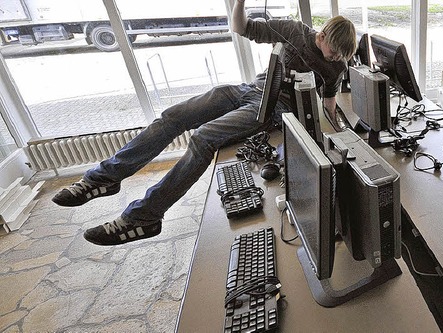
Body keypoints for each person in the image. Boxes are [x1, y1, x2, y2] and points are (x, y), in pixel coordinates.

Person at [50, 0, 357, 246]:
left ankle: (144, 217)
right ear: (321, 35)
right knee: (173, 117)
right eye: (333, 52)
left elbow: (328, 106)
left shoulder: (335, 67)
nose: (334, 60)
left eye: (340, 57)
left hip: (273, 108)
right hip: (248, 90)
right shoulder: (294, 31)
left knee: (203, 137)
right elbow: (241, 27)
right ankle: (104, 178)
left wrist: (344, 136)